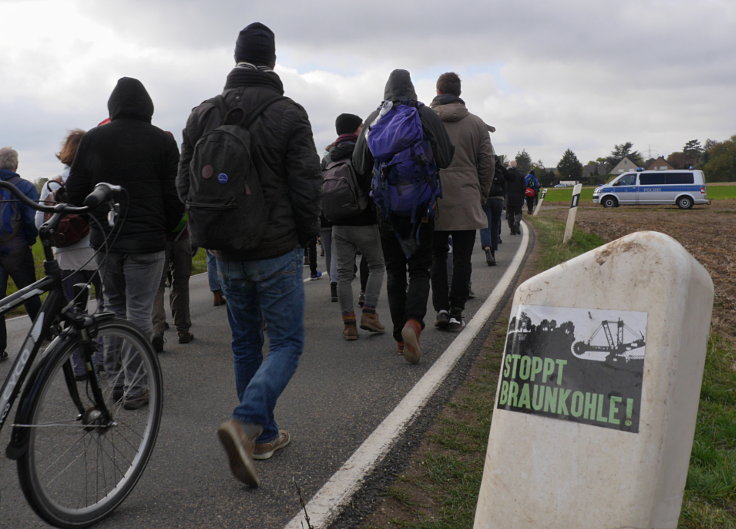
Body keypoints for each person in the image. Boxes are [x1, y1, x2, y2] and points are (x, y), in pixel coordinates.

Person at [177, 22, 321, 487]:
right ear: (273, 61)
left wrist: (211, 232)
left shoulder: (201, 114)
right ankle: (244, 424)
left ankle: (264, 436)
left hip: (225, 251)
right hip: (275, 247)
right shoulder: (289, 113)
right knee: (285, 343)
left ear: (235, 57)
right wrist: (306, 236)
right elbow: (306, 184)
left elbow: (185, 186)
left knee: (245, 343)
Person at [67, 77, 184, 410]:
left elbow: (76, 195)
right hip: (147, 241)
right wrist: (167, 228)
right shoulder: (161, 141)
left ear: (112, 105)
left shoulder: (93, 138)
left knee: (112, 308)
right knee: (138, 313)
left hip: (106, 241)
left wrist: (99, 225)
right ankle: (135, 387)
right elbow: (175, 196)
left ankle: (116, 381)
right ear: (148, 106)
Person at [353, 69, 454, 364]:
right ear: (412, 89)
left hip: (386, 209)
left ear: (387, 90)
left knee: (395, 271)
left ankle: (400, 339)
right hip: (422, 208)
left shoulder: (374, 118)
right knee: (420, 269)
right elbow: (446, 159)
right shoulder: (425, 115)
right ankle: (414, 324)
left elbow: (360, 164)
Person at [35, 130, 104, 377]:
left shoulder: (52, 184)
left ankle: (79, 364)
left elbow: (39, 222)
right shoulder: (97, 180)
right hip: (96, 252)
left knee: (75, 312)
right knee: (104, 308)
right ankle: (104, 359)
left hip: (66, 254)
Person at [429, 72, 493, 332]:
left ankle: (441, 308)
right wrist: (481, 193)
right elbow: (487, 162)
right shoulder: (476, 124)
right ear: (459, 91)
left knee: (437, 256)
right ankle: (457, 311)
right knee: (463, 258)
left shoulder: (424, 121)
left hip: (433, 197)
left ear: (438, 90)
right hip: (467, 195)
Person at [323, 113, 386, 341]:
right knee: (377, 265)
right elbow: (374, 183)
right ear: (357, 129)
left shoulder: (329, 157)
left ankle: (349, 325)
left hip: (338, 223)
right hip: (364, 220)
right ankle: (369, 314)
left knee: (343, 274)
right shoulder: (364, 151)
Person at [0, 147, 40, 361]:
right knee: (30, 292)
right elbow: (32, 220)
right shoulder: (24, 186)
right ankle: (43, 335)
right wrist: (29, 241)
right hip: (17, 249)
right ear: (15, 164)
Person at [151, 217, 194, 353]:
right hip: (181, 235)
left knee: (157, 286)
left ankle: (157, 331)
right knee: (181, 284)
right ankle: (183, 330)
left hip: (158, 237)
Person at [480, 155, 509, 266]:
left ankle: (487, 247)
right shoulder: (500, 171)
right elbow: (508, 181)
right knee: (495, 226)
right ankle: (493, 253)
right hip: (498, 199)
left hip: (486, 199)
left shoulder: (482, 169)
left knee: (485, 224)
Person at [506, 160, 526, 234]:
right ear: (516, 165)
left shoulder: (507, 174)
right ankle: (517, 223)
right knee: (518, 212)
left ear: (510, 165)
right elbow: (524, 187)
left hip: (509, 197)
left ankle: (512, 230)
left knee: (510, 214)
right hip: (518, 196)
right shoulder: (521, 174)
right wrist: (523, 196)